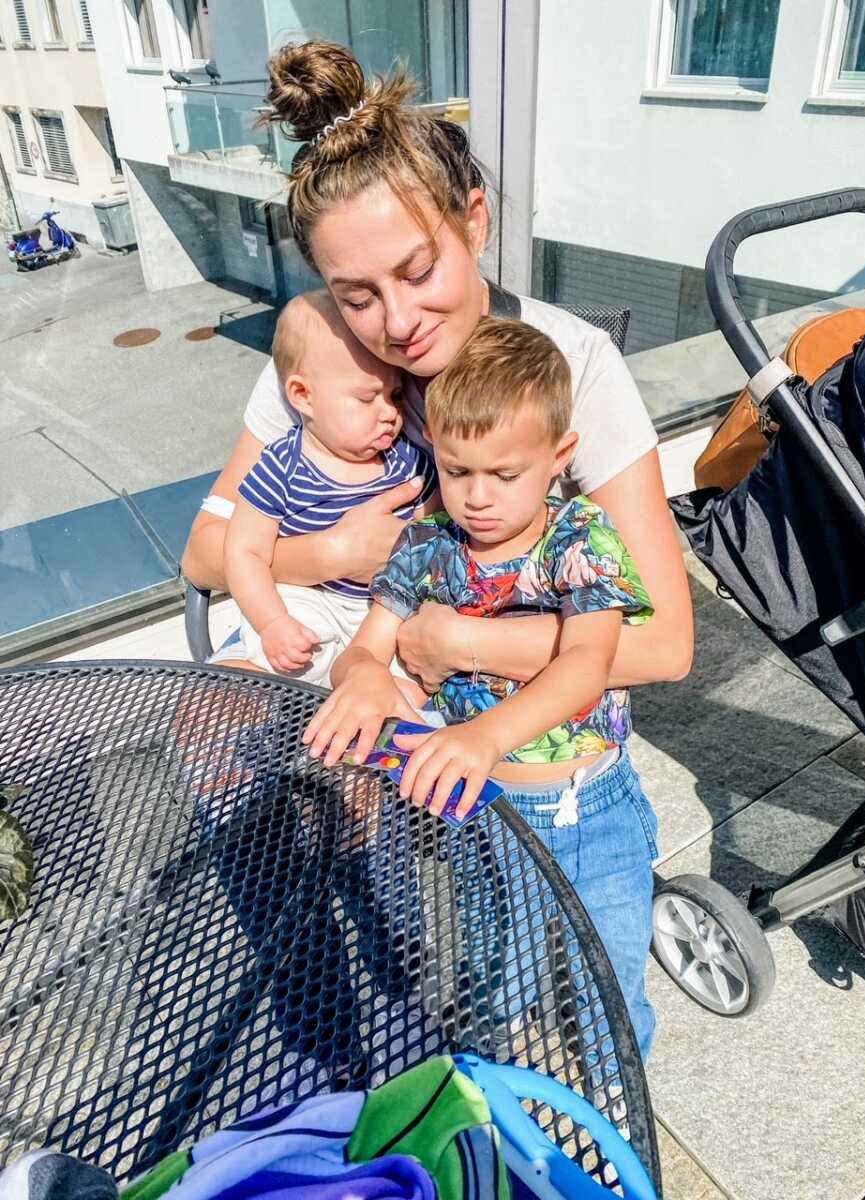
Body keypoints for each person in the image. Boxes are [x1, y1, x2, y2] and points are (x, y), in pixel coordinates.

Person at [181, 39, 694, 1057]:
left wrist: (445, 641)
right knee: (217, 739)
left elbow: (667, 642)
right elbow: (209, 551)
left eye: (417, 272)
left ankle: (405, 999)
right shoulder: (324, 353)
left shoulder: (564, 367)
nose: (397, 323)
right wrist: (331, 555)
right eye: (356, 291)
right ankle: (356, 1001)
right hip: (358, 632)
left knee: (368, 777)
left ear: (475, 222)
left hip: (510, 693)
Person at [304, 316, 656, 1047]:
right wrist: (364, 675)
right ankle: (494, 1069)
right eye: (458, 471)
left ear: (559, 456)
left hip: (593, 803)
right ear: (436, 447)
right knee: (497, 967)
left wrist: (483, 733)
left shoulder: (580, 538)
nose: (478, 497)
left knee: (612, 974)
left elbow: (586, 664)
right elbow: (365, 646)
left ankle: (617, 1085)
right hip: (487, 810)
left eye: (505, 473)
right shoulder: (427, 545)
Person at [224, 291, 436, 684]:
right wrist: (273, 623)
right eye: (366, 398)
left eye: (393, 395)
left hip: (386, 609)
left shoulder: (407, 461)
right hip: (310, 599)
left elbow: (436, 527)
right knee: (291, 654)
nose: (390, 413)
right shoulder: (281, 466)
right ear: (303, 396)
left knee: (406, 679)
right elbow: (243, 551)